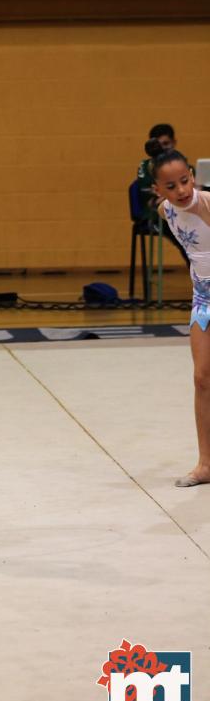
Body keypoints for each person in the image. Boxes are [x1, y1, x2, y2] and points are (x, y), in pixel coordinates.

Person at [153, 150, 210, 487]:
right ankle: (206, 463)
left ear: (193, 174)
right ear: (159, 190)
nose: (182, 190)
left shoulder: (206, 204)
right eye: (171, 186)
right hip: (202, 300)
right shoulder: (166, 211)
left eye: (185, 180)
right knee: (202, 378)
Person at [136, 123, 189, 264]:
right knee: (186, 238)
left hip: (185, 212)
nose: (161, 149)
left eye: (166, 144)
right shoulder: (146, 166)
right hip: (157, 216)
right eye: (157, 145)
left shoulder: (180, 162)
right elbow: (147, 194)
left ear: (174, 143)